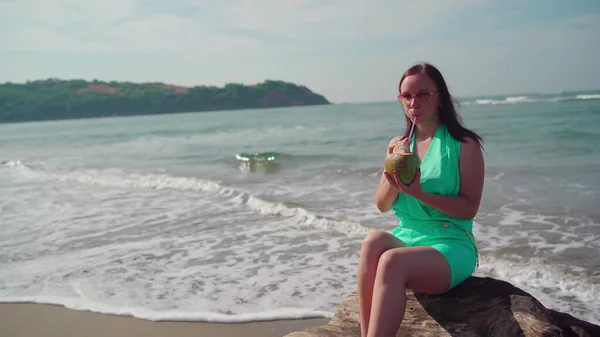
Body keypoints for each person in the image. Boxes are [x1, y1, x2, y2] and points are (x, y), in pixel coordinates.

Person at [357, 62, 485, 337]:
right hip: (409, 235)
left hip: (451, 243)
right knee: (373, 242)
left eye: (423, 94)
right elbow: (381, 205)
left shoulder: (465, 144)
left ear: (440, 97)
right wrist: (396, 184)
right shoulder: (398, 145)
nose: (414, 102)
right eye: (407, 96)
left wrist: (418, 192)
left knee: (392, 261)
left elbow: (469, 208)